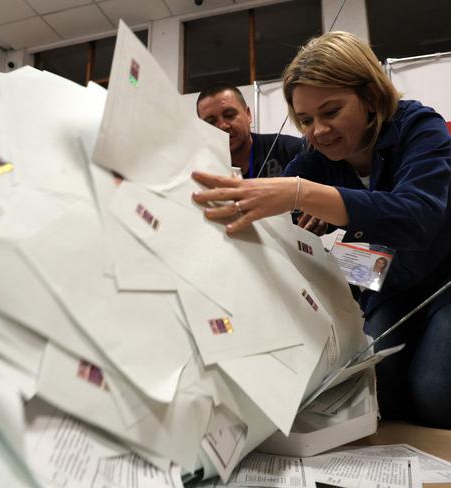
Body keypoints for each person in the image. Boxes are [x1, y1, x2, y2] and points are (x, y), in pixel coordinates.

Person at [191, 32, 451, 428]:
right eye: (306, 120)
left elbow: (418, 218)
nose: (318, 131)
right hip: (391, 285)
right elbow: (266, 217)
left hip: (444, 280)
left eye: (331, 111)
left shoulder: (420, 126)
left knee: (435, 391)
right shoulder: (317, 158)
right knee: (378, 388)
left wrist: (305, 194)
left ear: (370, 97)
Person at [196, 84, 304, 179]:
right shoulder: (200, 171)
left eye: (229, 115)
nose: (223, 126)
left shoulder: (291, 150)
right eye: (211, 122)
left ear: (248, 115)